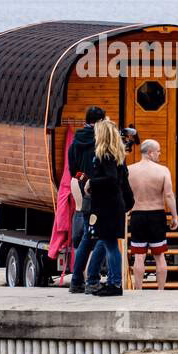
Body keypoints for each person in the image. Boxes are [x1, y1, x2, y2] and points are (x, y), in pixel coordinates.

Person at [81, 119, 134, 297]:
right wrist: (129, 202)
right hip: (115, 204)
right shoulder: (118, 156)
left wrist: (91, 182)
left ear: (101, 135)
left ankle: (115, 283)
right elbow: (122, 181)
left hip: (107, 206)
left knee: (111, 244)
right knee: (104, 241)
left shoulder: (105, 155)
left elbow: (111, 179)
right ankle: (95, 279)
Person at [67, 106, 108, 292]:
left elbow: (72, 171)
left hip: (84, 192)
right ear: (100, 121)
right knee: (104, 236)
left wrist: (84, 181)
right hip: (100, 193)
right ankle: (92, 278)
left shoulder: (75, 141)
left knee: (86, 237)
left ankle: (76, 281)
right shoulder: (101, 141)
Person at [128, 140, 178, 290]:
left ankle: (138, 290)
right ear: (150, 152)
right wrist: (174, 216)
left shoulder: (129, 170)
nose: (159, 154)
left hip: (137, 214)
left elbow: (123, 194)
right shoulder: (163, 171)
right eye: (158, 151)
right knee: (159, 256)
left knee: (139, 256)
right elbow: (169, 195)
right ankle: (160, 291)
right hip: (156, 215)